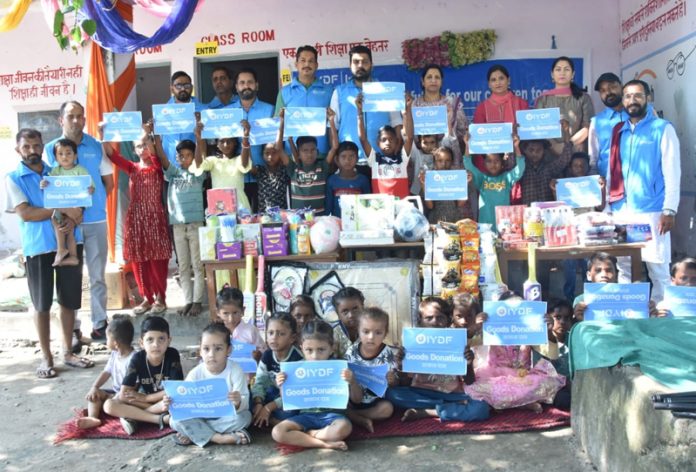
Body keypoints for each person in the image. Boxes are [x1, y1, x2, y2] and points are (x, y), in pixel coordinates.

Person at [7, 129, 94, 378]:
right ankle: (46, 357)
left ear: (42, 146)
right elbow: (26, 213)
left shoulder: (58, 171)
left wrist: (75, 209)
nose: (32, 151)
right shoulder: (14, 178)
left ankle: (67, 352)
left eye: (36, 145)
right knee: (41, 304)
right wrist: (63, 207)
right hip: (38, 248)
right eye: (26, 147)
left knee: (69, 301)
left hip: (70, 243)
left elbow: (79, 205)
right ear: (18, 150)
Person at [45, 101, 113, 341]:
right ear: (60, 119)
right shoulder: (50, 149)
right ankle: (72, 328)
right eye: (71, 116)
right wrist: (70, 211)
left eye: (80, 116)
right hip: (66, 224)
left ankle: (99, 323)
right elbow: (47, 187)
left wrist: (92, 204)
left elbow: (109, 182)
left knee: (97, 275)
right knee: (70, 276)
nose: (76, 120)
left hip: (95, 221)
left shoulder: (95, 146)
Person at [609, 80, 680, 302]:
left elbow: (672, 171)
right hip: (623, 210)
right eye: (628, 96)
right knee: (625, 268)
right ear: (623, 100)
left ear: (647, 98)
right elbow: (614, 170)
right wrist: (608, 206)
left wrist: (669, 209)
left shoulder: (662, 129)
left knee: (657, 268)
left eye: (638, 95)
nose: (632, 100)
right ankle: (628, 316)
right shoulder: (619, 131)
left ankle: (662, 319)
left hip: (652, 211)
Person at [102, 127, 171, 315]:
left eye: (145, 145)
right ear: (134, 150)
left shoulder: (157, 167)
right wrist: (104, 134)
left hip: (155, 218)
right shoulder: (132, 168)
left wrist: (148, 133)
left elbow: (156, 153)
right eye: (139, 146)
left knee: (157, 260)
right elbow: (112, 155)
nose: (143, 149)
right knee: (140, 260)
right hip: (136, 219)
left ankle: (160, 298)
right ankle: (147, 298)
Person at [386, 297, 490, 422]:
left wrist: (468, 364)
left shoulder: (456, 341)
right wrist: (402, 366)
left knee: (481, 409)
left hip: (452, 395)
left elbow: (469, 381)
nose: (434, 322)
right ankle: (449, 409)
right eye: (428, 318)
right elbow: (405, 383)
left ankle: (430, 412)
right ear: (420, 321)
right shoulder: (414, 343)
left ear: (448, 320)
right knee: (392, 394)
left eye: (440, 318)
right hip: (421, 393)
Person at [466, 292, 566, 412]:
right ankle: (524, 403)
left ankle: (507, 404)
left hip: (523, 377)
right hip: (494, 377)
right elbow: (467, 344)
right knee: (474, 388)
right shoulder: (492, 330)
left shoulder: (528, 331)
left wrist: (548, 332)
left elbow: (552, 355)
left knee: (549, 382)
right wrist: (475, 328)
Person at [271, 319, 359, 451]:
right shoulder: (296, 369)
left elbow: (357, 399)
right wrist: (282, 385)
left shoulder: (339, 368)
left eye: (321, 350)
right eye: (309, 350)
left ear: (332, 347)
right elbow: (289, 402)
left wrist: (352, 382)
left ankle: (309, 435)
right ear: (302, 348)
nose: (315, 356)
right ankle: (324, 444)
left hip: (332, 416)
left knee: (345, 427)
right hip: (305, 417)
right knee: (277, 432)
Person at [165, 323, 252, 447]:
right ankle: (220, 438)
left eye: (218, 348)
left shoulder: (235, 370)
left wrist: (238, 402)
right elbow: (183, 403)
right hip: (201, 417)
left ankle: (194, 434)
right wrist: (171, 403)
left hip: (225, 418)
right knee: (174, 420)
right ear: (200, 351)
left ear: (229, 350)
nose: (211, 354)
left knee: (245, 418)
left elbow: (244, 401)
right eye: (206, 349)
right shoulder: (195, 373)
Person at [104, 316, 183, 435]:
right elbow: (124, 393)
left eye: (161, 339)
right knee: (109, 405)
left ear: (169, 340)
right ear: (141, 342)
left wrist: (147, 398)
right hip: (149, 404)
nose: (156, 344)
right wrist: (147, 401)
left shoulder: (172, 354)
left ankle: (136, 418)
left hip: (165, 402)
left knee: (176, 401)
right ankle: (160, 419)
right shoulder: (138, 358)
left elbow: (176, 388)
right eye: (150, 340)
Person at [157, 137, 206, 316]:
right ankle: (187, 300)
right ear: (177, 158)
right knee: (184, 266)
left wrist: (198, 136)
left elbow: (200, 159)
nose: (185, 159)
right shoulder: (173, 173)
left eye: (189, 155)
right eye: (181, 156)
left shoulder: (199, 173)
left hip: (195, 224)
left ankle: (197, 301)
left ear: (194, 157)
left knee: (198, 264)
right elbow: (162, 158)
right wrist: (157, 138)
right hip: (178, 226)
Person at [330, 45, 402, 163]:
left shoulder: (386, 91)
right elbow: (333, 127)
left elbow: (396, 123)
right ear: (350, 65)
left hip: (382, 160)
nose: (360, 65)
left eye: (365, 62)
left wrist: (396, 154)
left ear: (371, 65)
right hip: (349, 163)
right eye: (356, 62)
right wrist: (335, 157)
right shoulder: (339, 92)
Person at [226, 68, 275, 212]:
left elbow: (274, 143)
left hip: (263, 177)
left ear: (257, 85)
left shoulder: (270, 110)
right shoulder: (228, 113)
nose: (246, 86)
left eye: (250, 82)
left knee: (263, 219)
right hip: (235, 177)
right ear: (236, 87)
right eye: (242, 83)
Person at [40, 138, 94, 267]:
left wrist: (90, 189)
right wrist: (44, 184)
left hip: (76, 207)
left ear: (75, 155)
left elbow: (91, 187)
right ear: (55, 157)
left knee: (60, 222)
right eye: (60, 154)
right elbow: (49, 186)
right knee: (67, 229)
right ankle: (73, 256)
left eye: (68, 153)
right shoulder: (55, 171)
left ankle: (61, 249)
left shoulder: (81, 170)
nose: (65, 156)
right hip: (62, 206)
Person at [343, 307, 399, 433]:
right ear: (358, 331)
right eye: (366, 332)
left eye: (378, 332)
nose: (371, 337)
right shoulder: (352, 351)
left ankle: (353, 415)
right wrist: (350, 380)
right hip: (353, 396)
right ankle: (353, 413)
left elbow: (394, 383)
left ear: (385, 333)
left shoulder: (387, 353)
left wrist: (392, 380)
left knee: (388, 409)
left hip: (375, 401)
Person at [77, 317, 135, 429]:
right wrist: (95, 387)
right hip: (114, 391)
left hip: (127, 394)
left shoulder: (134, 358)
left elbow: (135, 384)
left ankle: (126, 416)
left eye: (107, 338)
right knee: (95, 395)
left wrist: (118, 396)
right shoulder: (115, 354)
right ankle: (93, 418)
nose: (106, 341)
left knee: (112, 403)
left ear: (116, 343)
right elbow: (106, 372)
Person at [275, 45, 334, 155]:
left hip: (322, 156)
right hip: (292, 157)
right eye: (303, 60)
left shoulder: (329, 91)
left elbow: (334, 124)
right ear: (296, 64)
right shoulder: (284, 92)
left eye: (311, 61)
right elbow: (277, 125)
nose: (307, 64)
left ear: (316, 65)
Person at [279, 108, 338, 214]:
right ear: (299, 154)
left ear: (317, 151)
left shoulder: (322, 167)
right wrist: (282, 121)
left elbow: (334, 147)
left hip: (319, 218)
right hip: (298, 219)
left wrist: (331, 120)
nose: (309, 154)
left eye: (312, 150)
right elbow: (278, 148)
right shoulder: (294, 169)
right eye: (305, 151)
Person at [463, 130, 525, 231]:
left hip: (504, 225)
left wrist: (516, 146)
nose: (493, 164)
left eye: (496, 161)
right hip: (485, 226)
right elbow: (468, 164)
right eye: (489, 161)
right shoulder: (481, 179)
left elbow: (520, 168)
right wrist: (467, 144)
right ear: (484, 164)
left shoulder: (507, 178)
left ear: (502, 163)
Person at [251, 313, 304, 428]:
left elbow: (294, 394)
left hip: (287, 398)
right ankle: (272, 421)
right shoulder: (267, 355)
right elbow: (260, 382)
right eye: (270, 333)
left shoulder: (297, 359)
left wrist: (268, 407)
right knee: (249, 403)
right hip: (271, 394)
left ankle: (271, 421)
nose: (274, 337)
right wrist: (259, 402)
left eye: (281, 334)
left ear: (292, 338)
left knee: (291, 412)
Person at [472, 64, 529, 170]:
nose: (498, 82)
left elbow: (528, 135)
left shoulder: (521, 103)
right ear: (489, 84)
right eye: (493, 80)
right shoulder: (482, 108)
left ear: (509, 80)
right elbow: (478, 141)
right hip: (492, 164)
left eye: (501, 78)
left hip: (519, 158)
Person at [535, 56, 595, 156]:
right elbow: (540, 128)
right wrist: (554, 146)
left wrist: (569, 144)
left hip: (576, 151)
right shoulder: (543, 99)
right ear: (552, 75)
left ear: (573, 74)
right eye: (558, 69)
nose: (562, 73)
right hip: (549, 153)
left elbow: (588, 126)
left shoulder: (583, 98)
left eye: (566, 69)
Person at [357, 92, 413, 198]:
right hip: (381, 208)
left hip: (401, 208)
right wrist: (359, 111)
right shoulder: (374, 160)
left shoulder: (402, 158)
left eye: (391, 140)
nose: (388, 143)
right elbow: (363, 139)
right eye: (384, 140)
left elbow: (409, 138)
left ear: (397, 142)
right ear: (378, 143)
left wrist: (407, 111)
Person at [190, 119, 252, 211]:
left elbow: (244, 164)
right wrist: (198, 140)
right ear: (217, 145)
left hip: (240, 205)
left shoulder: (239, 159)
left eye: (229, 141)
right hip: (219, 205)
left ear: (235, 143)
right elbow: (199, 164)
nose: (226, 145)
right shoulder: (213, 161)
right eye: (222, 141)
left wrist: (245, 137)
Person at [414, 64, 468, 163]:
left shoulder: (452, 103)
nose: (433, 80)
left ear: (441, 82)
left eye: (437, 77)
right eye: (429, 77)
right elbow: (413, 137)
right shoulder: (415, 105)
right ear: (423, 82)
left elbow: (463, 131)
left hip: (450, 158)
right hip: (424, 160)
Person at [533, 299, 575, 410]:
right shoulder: (539, 340)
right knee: (565, 400)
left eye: (566, 318)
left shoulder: (574, 338)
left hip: (573, 383)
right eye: (557, 317)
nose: (562, 322)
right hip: (552, 386)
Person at [518, 120, 572, 205]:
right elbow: (510, 165)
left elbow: (565, 158)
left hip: (548, 211)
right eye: (531, 150)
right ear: (524, 150)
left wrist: (566, 131)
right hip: (529, 213)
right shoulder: (521, 169)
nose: (534, 153)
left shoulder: (549, 168)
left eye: (538, 150)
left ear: (544, 151)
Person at [160, 71, 206, 166]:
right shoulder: (162, 112)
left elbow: (210, 141)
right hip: (170, 167)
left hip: (195, 167)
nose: (183, 89)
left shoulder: (203, 110)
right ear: (172, 89)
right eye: (178, 86)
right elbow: (159, 139)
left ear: (192, 88)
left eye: (186, 85)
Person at [421, 146, 473, 224]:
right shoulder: (430, 178)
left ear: (452, 162)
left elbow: (460, 203)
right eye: (440, 161)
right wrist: (424, 184)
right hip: (435, 221)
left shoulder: (456, 177)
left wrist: (466, 183)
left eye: (447, 160)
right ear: (435, 162)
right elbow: (430, 206)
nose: (444, 164)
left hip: (454, 220)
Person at [588, 72, 626, 177]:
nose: (608, 93)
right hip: (608, 183)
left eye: (612, 87)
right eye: (603, 91)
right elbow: (593, 160)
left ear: (621, 86)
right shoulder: (596, 122)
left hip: (636, 181)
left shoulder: (637, 114)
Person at [325, 141, 371, 218]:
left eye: (351, 156)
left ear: (357, 159)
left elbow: (368, 204)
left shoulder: (363, 180)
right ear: (337, 160)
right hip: (337, 222)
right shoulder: (332, 180)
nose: (347, 160)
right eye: (343, 156)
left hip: (358, 222)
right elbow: (328, 206)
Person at [215, 287, 265, 358]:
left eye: (235, 313)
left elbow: (263, 351)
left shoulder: (250, 331)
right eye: (225, 313)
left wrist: (258, 354)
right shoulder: (216, 332)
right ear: (218, 312)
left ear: (243, 311)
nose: (231, 319)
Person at [572, 251, 618, 320]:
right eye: (598, 271)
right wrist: (578, 317)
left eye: (609, 270)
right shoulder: (581, 300)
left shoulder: (627, 297)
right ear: (589, 275)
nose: (604, 275)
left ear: (616, 274)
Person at [331, 287, 366, 358]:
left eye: (355, 309)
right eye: (345, 311)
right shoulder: (333, 334)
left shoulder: (370, 330)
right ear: (338, 313)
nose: (351, 315)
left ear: (363, 307)